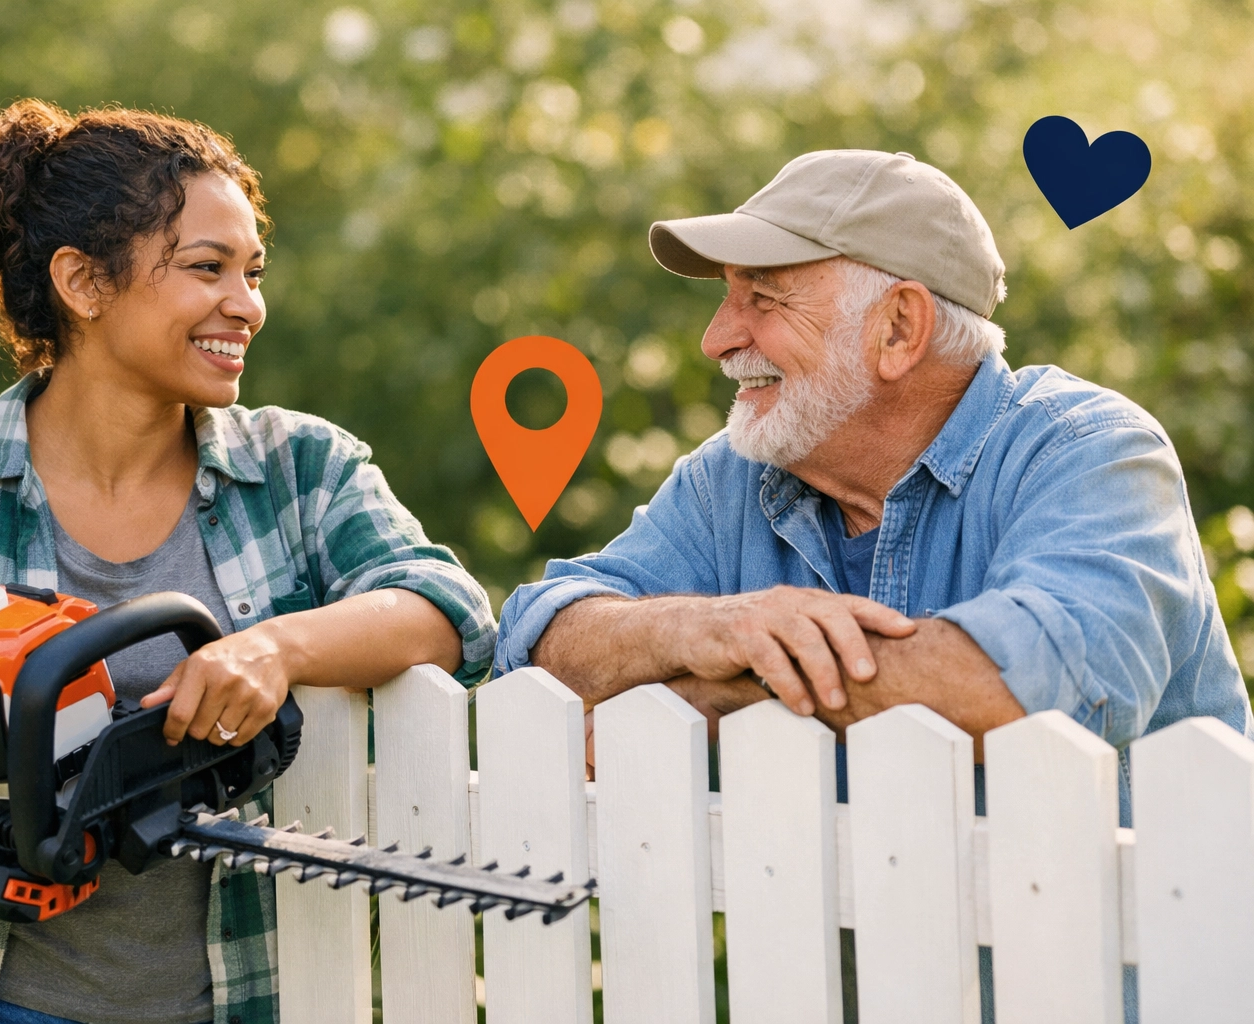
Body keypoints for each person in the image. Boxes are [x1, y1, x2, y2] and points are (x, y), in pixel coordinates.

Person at [0, 100, 494, 1024]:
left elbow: (446, 610)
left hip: (231, 1002)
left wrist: (275, 648)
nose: (247, 305)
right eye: (206, 268)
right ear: (84, 282)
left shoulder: (299, 471)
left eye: (252, 272)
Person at [493, 149, 1249, 1020]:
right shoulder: (730, 479)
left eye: (763, 299)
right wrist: (704, 626)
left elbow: (1030, 689)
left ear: (899, 328)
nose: (718, 337)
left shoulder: (1088, 448)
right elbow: (542, 642)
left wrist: (732, 686)